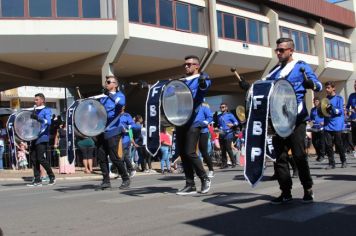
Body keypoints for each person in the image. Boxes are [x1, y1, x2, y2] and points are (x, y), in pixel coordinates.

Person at [266, 38, 322, 204]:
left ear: (291, 51)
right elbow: (265, 89)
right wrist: (250, 88)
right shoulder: (274, 71)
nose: (278, 53)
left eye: (282, 50)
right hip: (278, 120)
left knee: (299, 155)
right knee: (280, 158)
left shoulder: (300, 66)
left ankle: (307, 188)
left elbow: (318, 85)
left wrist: (311, 83)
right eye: (277, 50)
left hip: (297, 119)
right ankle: (285, 192)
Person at [175, 55, 211, 195]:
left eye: (189, 64)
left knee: (190, 151)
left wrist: (202, 82)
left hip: (194, 121)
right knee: (183, 153)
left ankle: (204, 178)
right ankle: (190, 184)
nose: (186, 66)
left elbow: (204, 87)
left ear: (197, 66)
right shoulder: (181, 81)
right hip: (180, 120)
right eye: (185, 64)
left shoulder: (202, 78)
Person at [96, 74, 130, 190]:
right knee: (101, 157)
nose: (106, 84)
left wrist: (109, 95)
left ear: (115, 84)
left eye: (109, 82)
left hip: (113, 130)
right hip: (102, 130)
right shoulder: (103, 97)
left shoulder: (119, 95)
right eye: (106, 82)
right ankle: (106, 181)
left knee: (115, 157)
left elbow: (120, 104)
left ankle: (125, 178)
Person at [27, 93, 56, 186]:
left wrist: (38, 118)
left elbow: (49, 122)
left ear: (42, 100)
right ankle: (37, 179)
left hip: (43, 137)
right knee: (33, 159)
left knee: (40, 158)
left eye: (36, 99)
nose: (35, 101)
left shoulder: (46, 110)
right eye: (34, 99)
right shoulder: (35, 110)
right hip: (34, 137)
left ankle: (51, 176)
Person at [323, 81, 347, 169]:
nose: (326, 89)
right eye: (326, 88)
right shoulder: (326, 99)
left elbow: (340, 111)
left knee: (338, 144)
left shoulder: (339, 98)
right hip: (327, 124)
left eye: (328, 87)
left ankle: (343, 160)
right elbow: (324, 111)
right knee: (328, 145)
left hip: (337, 124)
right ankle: (331, 163)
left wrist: (332, 108)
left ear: (333, 88)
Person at [217, 103, 239, 169]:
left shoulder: (230, 115)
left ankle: (233, 162)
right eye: (221, 107)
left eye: (223, 107)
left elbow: (236, 122)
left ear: (226, 108)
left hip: (228, 133)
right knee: (223, 149)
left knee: (228, 149)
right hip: (221, 133)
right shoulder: (219, 116)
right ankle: (224, 164)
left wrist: (232, 125)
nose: (222, 108)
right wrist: (217, 129)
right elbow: (218, 125)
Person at [198, 103, 214, 178]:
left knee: (204, 152)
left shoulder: (204, 108)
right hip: (193, 132)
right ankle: (195, 171)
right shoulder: (191, 108)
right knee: (191, 152)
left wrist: (204, 122)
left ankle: (211, 170)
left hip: (203, 132)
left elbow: (210, 117)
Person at [309, 97, 325, 162]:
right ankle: (318, 154)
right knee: (314, 142)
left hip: (321, 127)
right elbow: (311, 118)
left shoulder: (322, 109)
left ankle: (322, 155)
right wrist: (308, 120)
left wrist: (323, 122)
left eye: (317, 101)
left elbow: (327, 116)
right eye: (314, 101)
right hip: (315, 127)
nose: (316, 103)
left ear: (319, 102)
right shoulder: (312, 110)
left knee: (321, 142)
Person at [346, 80, 356, 154]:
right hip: (353, 120)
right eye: (354, 85)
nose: (355, 86)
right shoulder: (351, 95)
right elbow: (347, 107)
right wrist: (349, 111)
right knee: (354, 138)